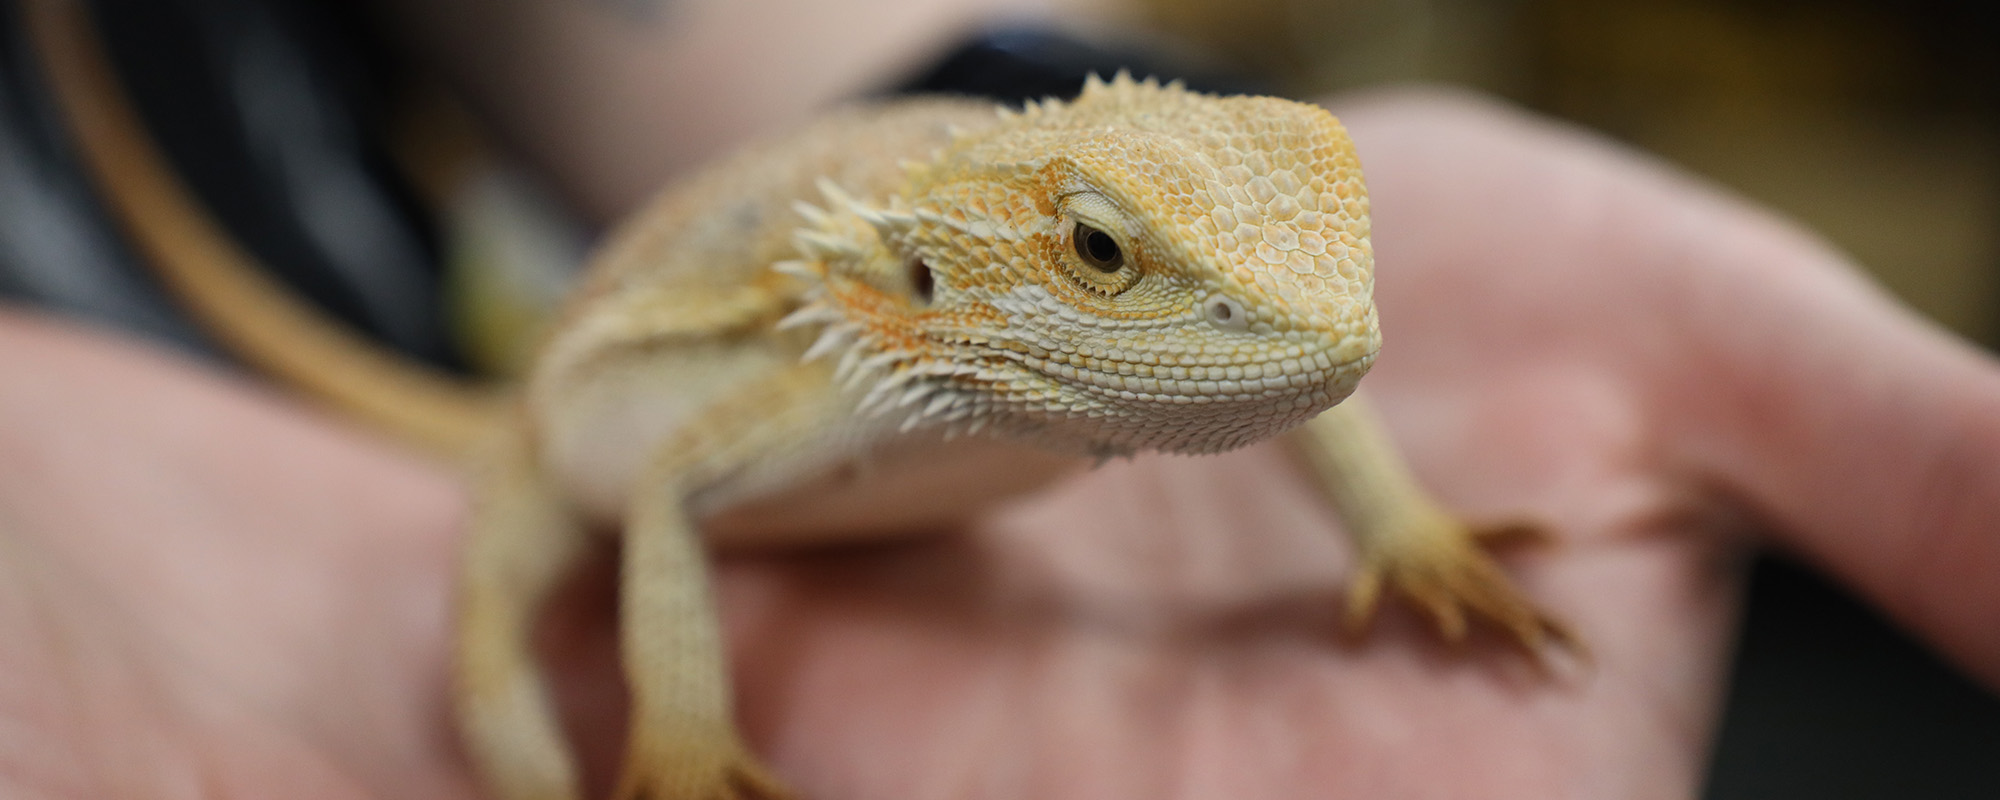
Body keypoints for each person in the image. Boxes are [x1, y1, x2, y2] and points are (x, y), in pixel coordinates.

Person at [4, 81, 1996, 796]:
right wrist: (677, 733)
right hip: (553, 403)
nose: (1326, 326)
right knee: (507, 699)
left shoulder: (1094, 346)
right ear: (962, 291)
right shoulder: (851, 346)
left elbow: (1295, 361)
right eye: (1119, 257)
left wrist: (1390, 526)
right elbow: (666, 497)